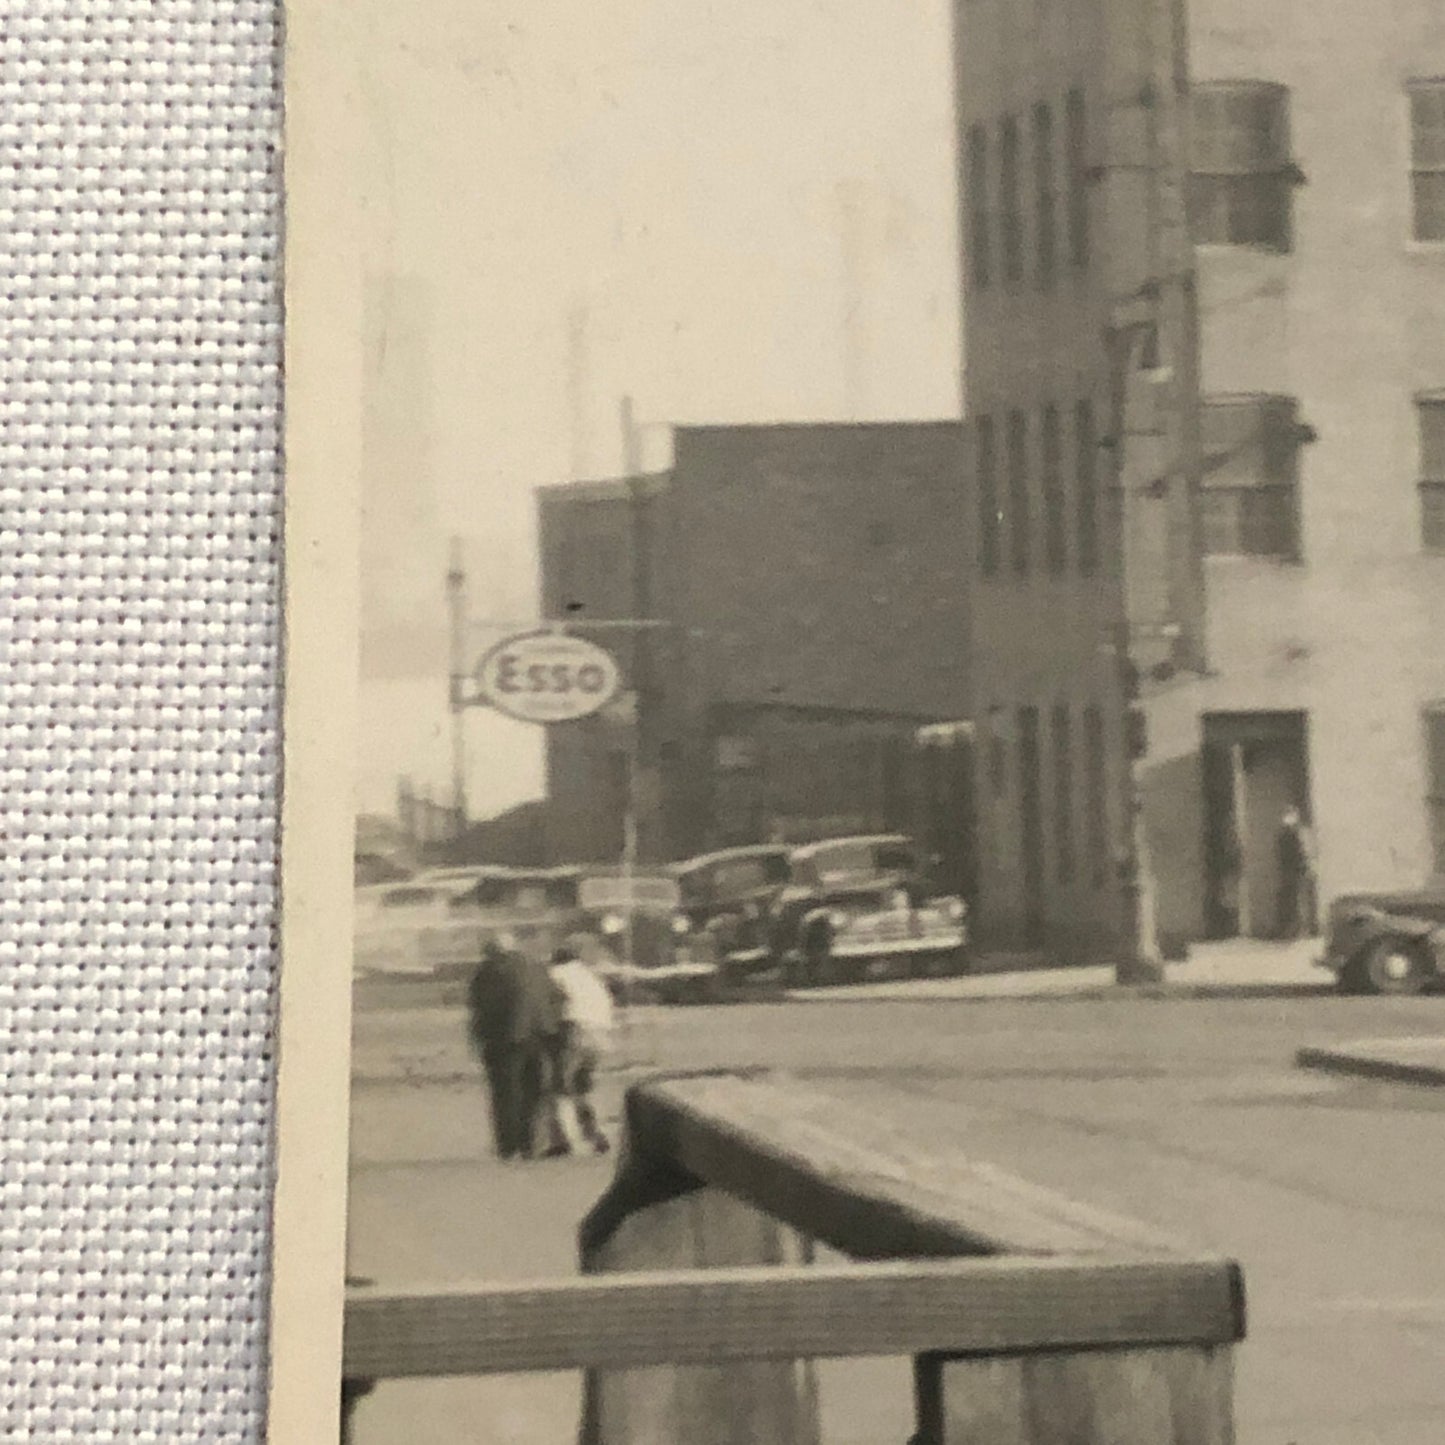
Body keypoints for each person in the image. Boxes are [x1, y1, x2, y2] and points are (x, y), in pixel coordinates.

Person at [465, 936, 565, 1160]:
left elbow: (482, 1007)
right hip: (539, 1037)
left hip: (505, 1040)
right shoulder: (537, 967)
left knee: (505, 1094)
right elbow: (558, 997)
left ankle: (508, 1146)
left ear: (491, 951)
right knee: (534, 1091)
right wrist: (551, 1028)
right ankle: (528, 1143)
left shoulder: (488, 971)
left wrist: (479, 1037)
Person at [544, 933, 616, 1156]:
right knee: (583, 1087)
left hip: (576, 1030)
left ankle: (562, 1140)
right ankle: (596, 1134)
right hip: (601, 1034)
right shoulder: (589, 976)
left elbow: (546, 1004)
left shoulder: (556, 974)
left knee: (560, 1086)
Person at [1274, 807, 1317, 940]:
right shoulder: (1288, 835)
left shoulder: (1296, 834)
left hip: (1297, 870)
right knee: (1294, 900)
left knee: (1299, 900)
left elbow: (1305, 852)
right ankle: (1296, 929)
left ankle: (1301, 929)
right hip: (1293, 871)